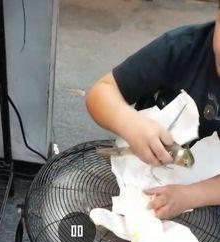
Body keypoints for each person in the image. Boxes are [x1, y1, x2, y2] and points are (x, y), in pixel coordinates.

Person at [86, 2, 220, 220]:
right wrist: (130, 124)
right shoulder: (180, 47)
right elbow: (100, 94)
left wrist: (193, 195)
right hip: (142, 165)